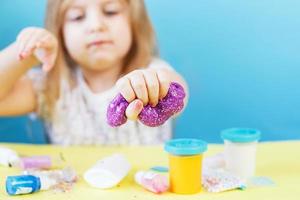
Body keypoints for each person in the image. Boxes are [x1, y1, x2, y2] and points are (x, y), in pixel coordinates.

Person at [0, 0, 188, 145]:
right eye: (77, 17)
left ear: (134, 22)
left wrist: (152, 85)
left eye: (110, 11)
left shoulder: (153, 71)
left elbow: (179, 93)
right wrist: (27, 53)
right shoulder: (52, 85)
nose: (96, 25)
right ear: (60, 32)